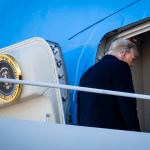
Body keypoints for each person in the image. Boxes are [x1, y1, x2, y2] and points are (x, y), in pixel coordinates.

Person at [77, 38, 140, 131]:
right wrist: (135, 131)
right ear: (123, 54)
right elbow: (127, 103)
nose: (132, 64)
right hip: (112, 131)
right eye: (132, 59)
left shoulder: (87, 73)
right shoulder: (120, 66)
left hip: (87, 130)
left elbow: (80, 107)